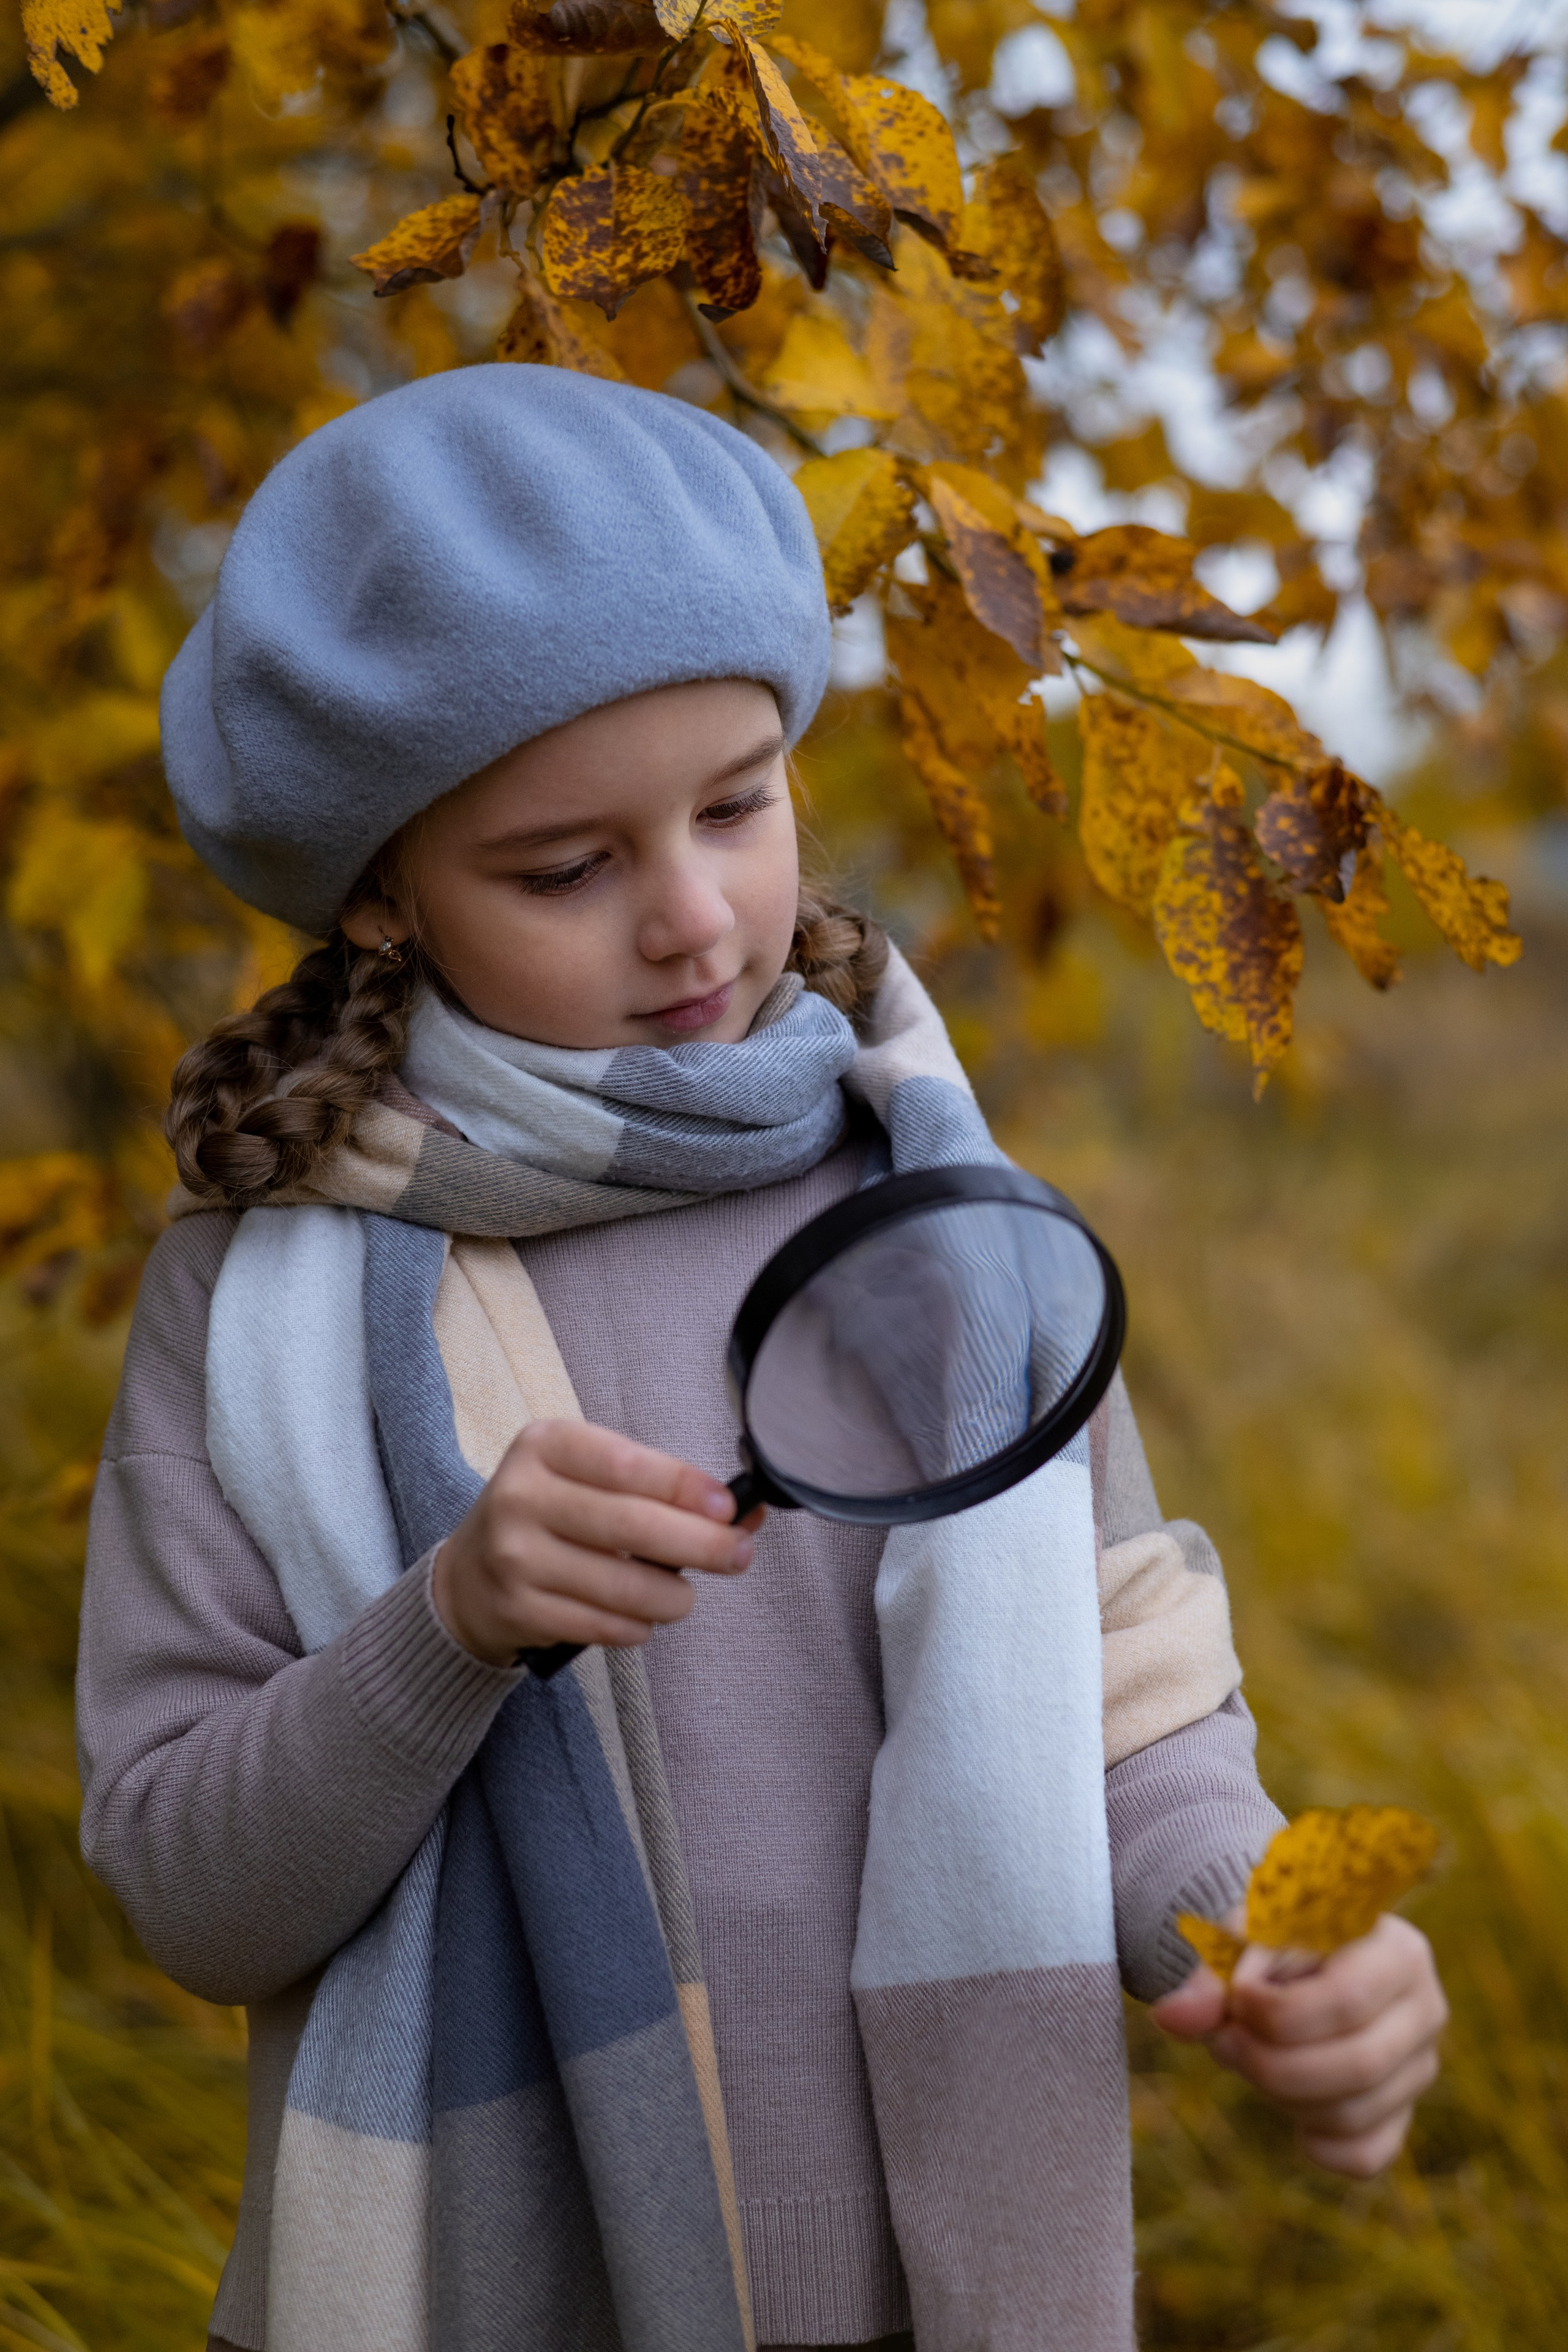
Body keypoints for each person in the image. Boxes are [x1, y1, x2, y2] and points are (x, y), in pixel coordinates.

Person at [75, 367, 1446, 2352]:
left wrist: (1278, 1939)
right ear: (381, 889)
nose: (696, 915)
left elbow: (1132, 1714)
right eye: (565, 868)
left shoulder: (949, 1224)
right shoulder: (261, 1300)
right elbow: (189, 1887)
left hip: (934, 2284)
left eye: (738, 803)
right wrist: (446, 1625)